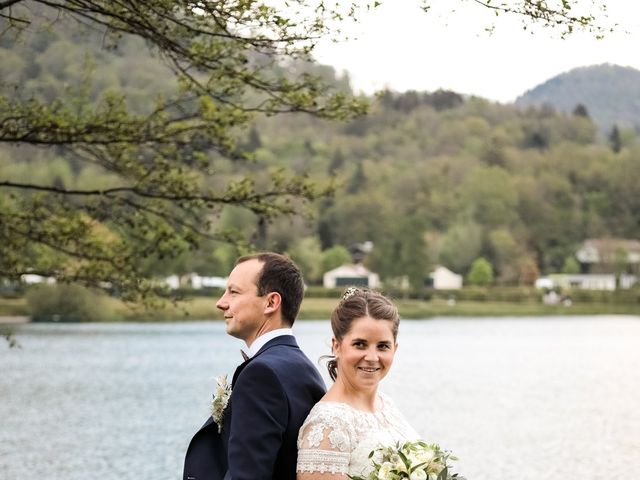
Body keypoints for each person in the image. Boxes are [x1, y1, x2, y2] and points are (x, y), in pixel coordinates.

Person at [184, 252, 326, 480]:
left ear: (271, 302)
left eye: (234, 292)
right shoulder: (302, 367)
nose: (221, 303)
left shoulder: (262, 374)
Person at [296, 287, 419, 479]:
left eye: (383, 346)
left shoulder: (387, 405)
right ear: (337, 346)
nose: (372, 357)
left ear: (395, 349)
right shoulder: (327, 424)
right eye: (360, 344)